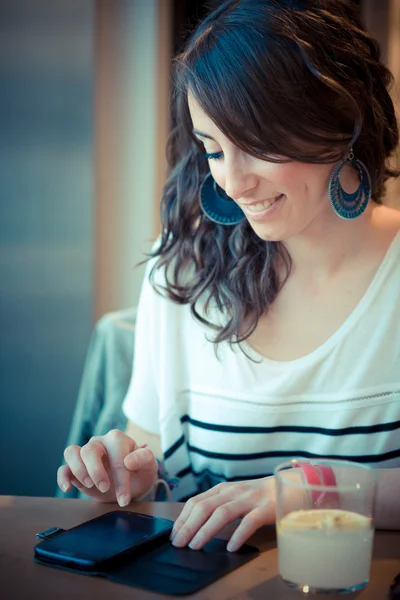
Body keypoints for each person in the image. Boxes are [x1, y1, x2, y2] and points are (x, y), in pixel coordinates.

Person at [58, 0, 400, 553]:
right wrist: (129, 474)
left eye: (258, 146)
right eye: (213, 149)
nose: (234, 182)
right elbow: (152, 454)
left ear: (337, 121)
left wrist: (301, 493)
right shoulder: (183, 273)